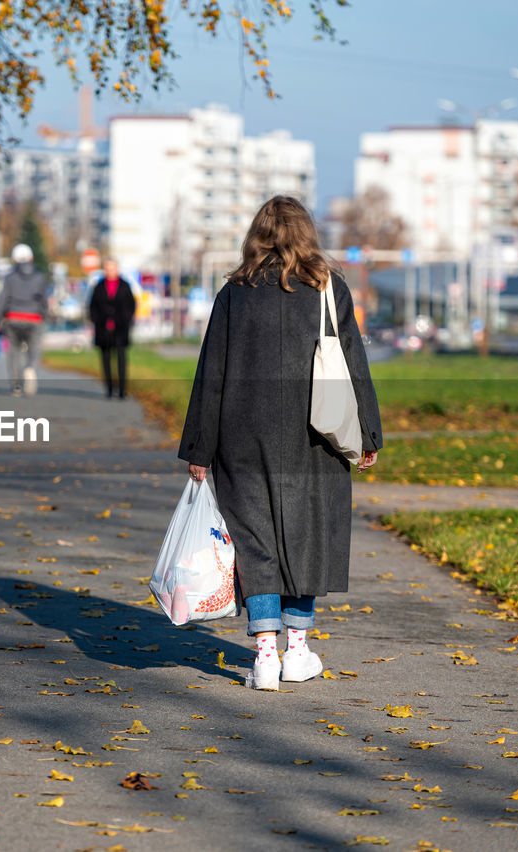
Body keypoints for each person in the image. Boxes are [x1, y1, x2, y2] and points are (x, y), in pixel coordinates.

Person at [177, 196, 383, 691]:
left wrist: (199, 449)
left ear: (257, 236)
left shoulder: (235, 293)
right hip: (316, 436)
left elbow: (212, 373)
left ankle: (264, 655)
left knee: (256, 542)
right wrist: (369, 434)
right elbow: (353, 364)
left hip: (242, 435)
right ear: (306, 235)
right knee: (306, 539)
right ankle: (298, 651)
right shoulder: (330, 289)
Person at [0, 243, 49, 396]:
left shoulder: (10, 278)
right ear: (31, 258)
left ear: (14, 260)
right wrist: (44, 315)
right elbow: (44, 300)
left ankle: (16, 384)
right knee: (34, 348)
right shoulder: (39, 277)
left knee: (14, 351)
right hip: (34, 317)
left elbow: (3, 299)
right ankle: (30, 368)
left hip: (13, 317)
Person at [88, 259, 137, 398]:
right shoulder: (99, 286)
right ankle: (109, 388)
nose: (109, 271)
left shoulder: (125, 286)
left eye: (112, 268)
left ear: (117, 269)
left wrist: (125, 320)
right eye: (107, 268)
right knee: (105, 359)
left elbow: (131, 306)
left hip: (121, 329)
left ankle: (122, 390)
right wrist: (96, 319)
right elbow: (92, 306)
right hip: (103, 329)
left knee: (121, 359)